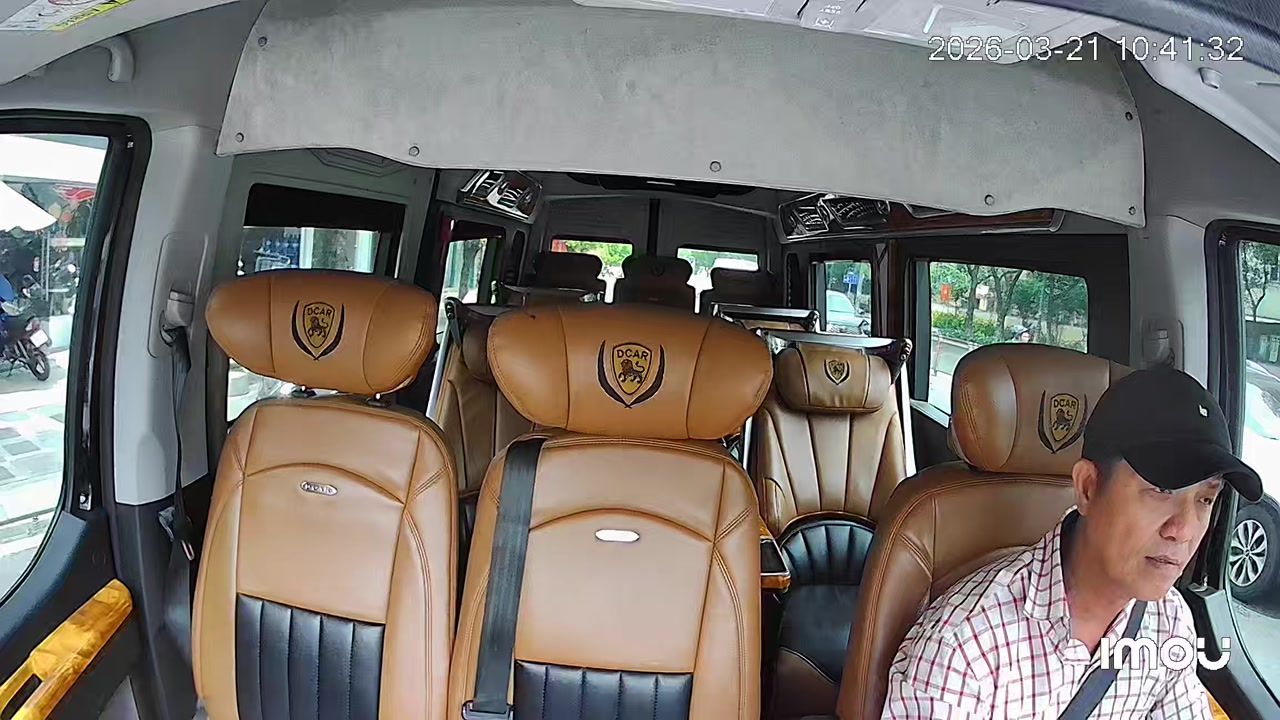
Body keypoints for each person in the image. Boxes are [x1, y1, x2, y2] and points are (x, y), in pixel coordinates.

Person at [882, 366, 1264, 719]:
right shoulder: (964, 645)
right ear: (1088, 488)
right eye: (1161, 491)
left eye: (1205, 500)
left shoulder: (1169, 620)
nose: (1183, 529)